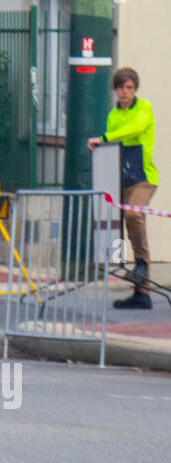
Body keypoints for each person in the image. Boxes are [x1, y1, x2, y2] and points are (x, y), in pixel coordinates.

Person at [89, 67, 158, 310]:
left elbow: (135, 129)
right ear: (115, 90)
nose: (125, 92)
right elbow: (112, 141)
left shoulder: (144, 108)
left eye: (129, 87)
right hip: (120, 177)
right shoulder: (113, 115)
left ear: (134, 89)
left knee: (133, 214)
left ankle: (140, 263)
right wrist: (100, 147)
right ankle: (141, 292)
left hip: (143, 178)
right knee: (118, 222)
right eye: (121, 87)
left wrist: (105, 138)